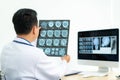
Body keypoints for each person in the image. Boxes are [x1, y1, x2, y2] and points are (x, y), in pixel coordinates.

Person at [1, 8, 70, 80]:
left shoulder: (6, 49)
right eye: (37, 27)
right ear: (34, 29)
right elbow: (57, 74)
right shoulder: (36, 54)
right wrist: (65, 61)